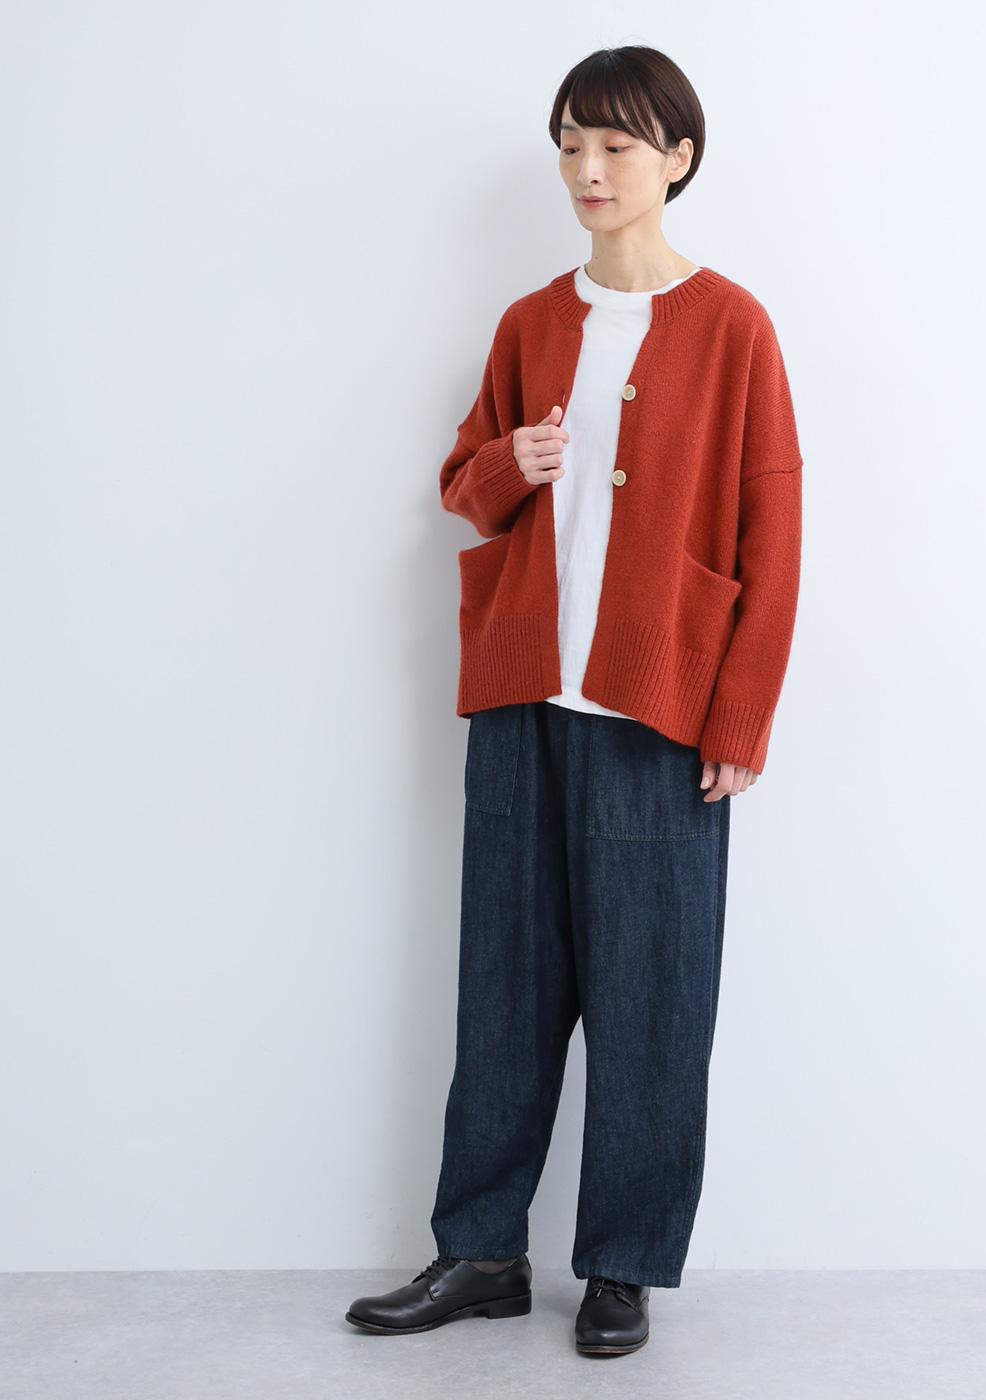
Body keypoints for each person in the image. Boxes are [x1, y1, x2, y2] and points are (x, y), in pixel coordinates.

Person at [345, 44, 803, 1358]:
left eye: (614, 145)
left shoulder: (734, 327)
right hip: (520, 703)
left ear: (678, 159)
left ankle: (623, 1266)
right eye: (569, 146)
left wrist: (741, 718)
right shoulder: (532, 323)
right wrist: (513, 460)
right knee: (504, 985)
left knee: (654, 995)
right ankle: (481, 1251)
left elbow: (775, 536)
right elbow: (461, 486)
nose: (587, 170)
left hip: (658, 718)